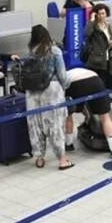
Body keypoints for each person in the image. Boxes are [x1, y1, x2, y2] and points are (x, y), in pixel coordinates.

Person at [24, 25, 74, 170]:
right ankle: (62, 160)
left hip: (32, 93)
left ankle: (39, 158)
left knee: (35, 125)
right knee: (55, 125)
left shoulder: (30, 53)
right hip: (51, 91)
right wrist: (68, 82)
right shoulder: (54, 51)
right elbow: (63, 77)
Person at [64, 67, 112, 153]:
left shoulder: (64, 76)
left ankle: (69, 144)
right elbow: (86, 101)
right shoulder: (82, 71)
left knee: (68, 115)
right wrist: (87, 115)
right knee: (105, 117)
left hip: (75, 83)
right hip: (96, 81)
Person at [83, 3, 112, 87]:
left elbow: (109, 39)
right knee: (96, 84)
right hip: (95, 60)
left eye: (103, 13)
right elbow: (86, 33)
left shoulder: (107, 26)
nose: (101, 16)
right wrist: (92, 20)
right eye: (99, 14)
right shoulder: (93, 26)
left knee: (104, 82)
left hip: (106, 58)